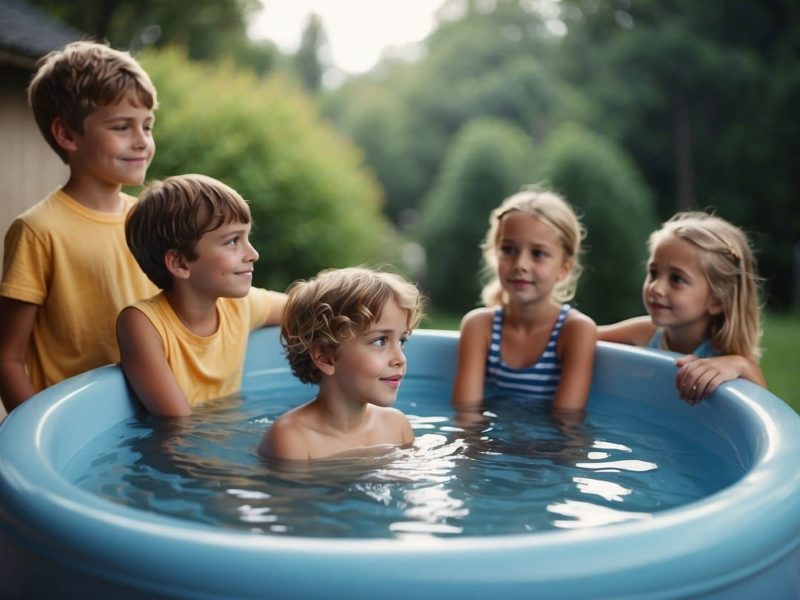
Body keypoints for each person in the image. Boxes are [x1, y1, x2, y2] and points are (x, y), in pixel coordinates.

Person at [0, 41, 159, 412]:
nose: (142, 142)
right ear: (68, 135)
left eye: (147, 126)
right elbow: (7, 359)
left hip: (143, 417)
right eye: (122, 127)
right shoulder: (39, 230)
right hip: (75, 426)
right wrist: (41, 438)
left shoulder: (149, 221)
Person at [117, 174, 287, 416]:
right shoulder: (143, 324)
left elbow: (305, 308)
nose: (253, 254)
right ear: (180, 262)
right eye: (232, 241)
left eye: (247, 238)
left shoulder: (240, 306)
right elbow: (179, 427)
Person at [451, 187, 597, 413]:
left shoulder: (576, 331)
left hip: (549, 446)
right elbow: (465, 416)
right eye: (508, 249)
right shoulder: (479, 327)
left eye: (538, 253)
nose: (520, 264)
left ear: (564, 269)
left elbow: (567, 425)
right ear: (495, 255)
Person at [598, 211, 766, 404]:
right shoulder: (645, 333)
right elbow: (583, 335)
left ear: (717, 301)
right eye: (653, 273)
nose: (656, 288)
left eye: (676, 279)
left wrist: (741, 365)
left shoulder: (723, 356)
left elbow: (763, 406)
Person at [259, 267, 423, 461]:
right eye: (380, 341)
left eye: (402, 341)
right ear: (325, 358)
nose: (400, 359)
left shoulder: (397, 426)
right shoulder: (292, 439)